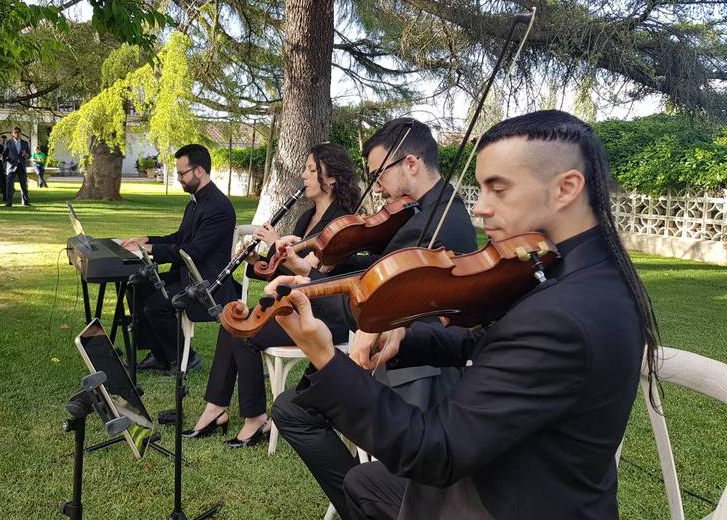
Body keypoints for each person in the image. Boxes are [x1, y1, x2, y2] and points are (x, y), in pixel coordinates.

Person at [268, 110, 660, 520]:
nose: (481, 209)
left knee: (372, 480)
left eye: (499, 190)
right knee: (363, 482)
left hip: (505, 500)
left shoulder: (564, 313)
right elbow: (486, 341)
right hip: (511, 473)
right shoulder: (574, 269)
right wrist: (403, 335)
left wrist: (327, 358)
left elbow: (434, 452)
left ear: (566, 188)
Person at [269, 118, 477, 516]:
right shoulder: (424, 211)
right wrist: (318, 267)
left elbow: (369, 301)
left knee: (294, 411)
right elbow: (376, 265)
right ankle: (364, 501)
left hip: (414, 370)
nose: (376, 186)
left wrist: (308, 286)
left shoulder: (431, 226)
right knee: (293, 408)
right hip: (400, 353)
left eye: (381, 173)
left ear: (411, 164)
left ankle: (362, 507)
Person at [185, 143, 360, 448]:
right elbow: (281, 271)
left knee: (245, 332)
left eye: (311, 169)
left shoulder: (341, 222)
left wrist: (279, 243)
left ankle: (256, 419)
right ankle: (216, 409)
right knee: (232, 319)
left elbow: (312, 274)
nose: (303, 175)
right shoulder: (306, 218)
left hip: (326, 315)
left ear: (331, 179)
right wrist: (255, 262)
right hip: (295, 306)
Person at [122, 144, 237, 372]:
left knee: (156, 305)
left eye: (182, 173)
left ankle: (185, 358)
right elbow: (180, 238)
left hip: (208, 282)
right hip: (189, 274)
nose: (179, 179)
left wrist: (151, 248)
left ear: (199, 171)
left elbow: (193, 251)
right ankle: (158, 353)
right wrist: (147, 239)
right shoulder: (195, 202)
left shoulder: (218, 207)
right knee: (136, 285)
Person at [3, 126, 31, 207]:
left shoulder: (25, 143)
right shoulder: (8, 142)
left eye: (18, 132)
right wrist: (7, 160)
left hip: (21, 166)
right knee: (9, 185)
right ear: (12, 134)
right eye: (15, 132)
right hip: (11, 166)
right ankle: (9, 202)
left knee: (24, 185)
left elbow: (29, 155)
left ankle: (25, 202)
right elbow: (4, 154)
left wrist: (26, 155)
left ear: (20, 133)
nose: (17, 134)